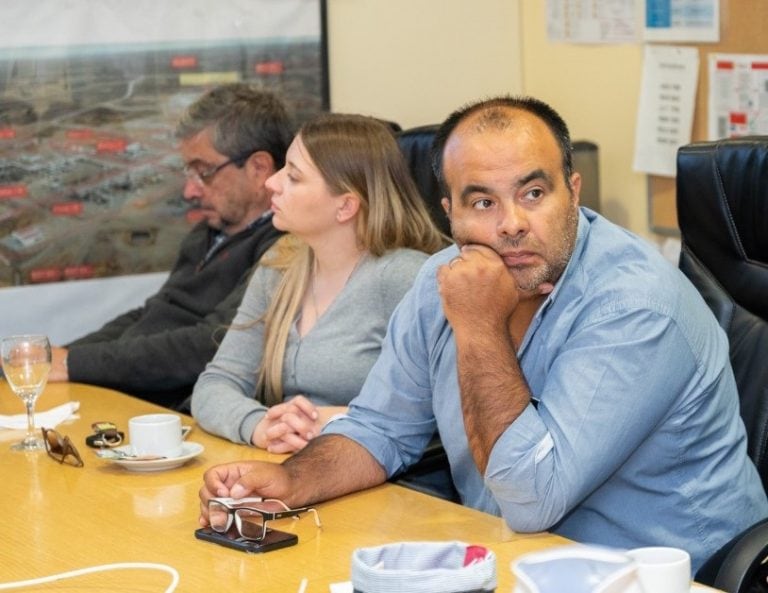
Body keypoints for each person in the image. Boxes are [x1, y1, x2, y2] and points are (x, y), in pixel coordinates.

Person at [197, 96, 768, 571]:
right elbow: (379, 429)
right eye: (483, 202)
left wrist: (477, 326)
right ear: (451, 214)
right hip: (515, 559)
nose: (512, 223)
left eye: (534, 194)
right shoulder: (437, 281)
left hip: (665, 573)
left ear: (574, 192)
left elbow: (532, 494)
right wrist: (288, 482)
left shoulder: (635, 306)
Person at [191, 113, 445, 452]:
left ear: (345, 206)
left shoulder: (407, 277)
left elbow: (444, 410)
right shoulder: (280, 264)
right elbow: (216, 382)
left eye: (294, 177)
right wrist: (259, 424)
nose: (272, 183)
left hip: (386, 483)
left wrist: (335, 421)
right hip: (292, 470)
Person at [48, 83, 294, 409]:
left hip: (175, 418)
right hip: (125, 397)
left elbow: (212, 342)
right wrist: (56, 358)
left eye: (203, 171)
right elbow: (153, 313)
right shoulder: (208, 231)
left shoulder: (285, 249)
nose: (190, 191)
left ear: (259, 168)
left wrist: (74, 364)